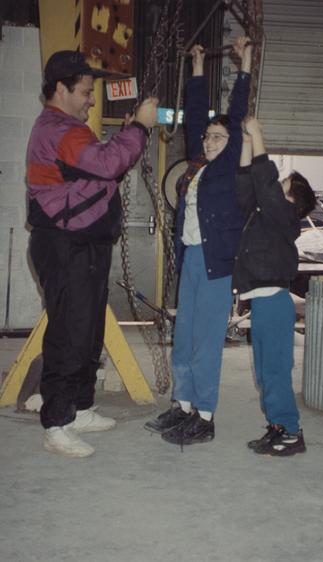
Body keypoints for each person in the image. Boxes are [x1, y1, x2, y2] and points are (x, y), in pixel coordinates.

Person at [27, 50, 158, 458]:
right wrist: (139, 126)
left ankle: (79, 406)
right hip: (67, 246)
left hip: (84, 246)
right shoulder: (59, 129)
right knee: (69, 334)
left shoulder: (69, 130)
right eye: (85, 92)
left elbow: (99, 170)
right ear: (62, 89)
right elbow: (107, 163)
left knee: (87, 332)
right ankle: (57, 422)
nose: (90, 100)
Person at [144, 37, 252, 445]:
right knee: (184, 335)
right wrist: (197, 69)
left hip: (216, 265)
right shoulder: (197, 167)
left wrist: (244, 66)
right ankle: (183, 405)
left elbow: (238, 115)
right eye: (207, 136)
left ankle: (204, 416)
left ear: (231, 144)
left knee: (206, 342)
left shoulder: (227, 171)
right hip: (192, 261)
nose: (208, 141)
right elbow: (192, 119)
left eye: (217, 137)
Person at [232, 117, 316, 457]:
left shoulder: (284, 218)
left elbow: (265, 186)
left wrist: (259, 136)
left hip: (275, 304)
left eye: (284, 185)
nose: (277, 185)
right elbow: (245, 190)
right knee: (266, 374)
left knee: (277, 371)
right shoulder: (267, 215)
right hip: (263, 303)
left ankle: (292, 433)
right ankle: (278, 427)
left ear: (293, 203)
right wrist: (246, 145)